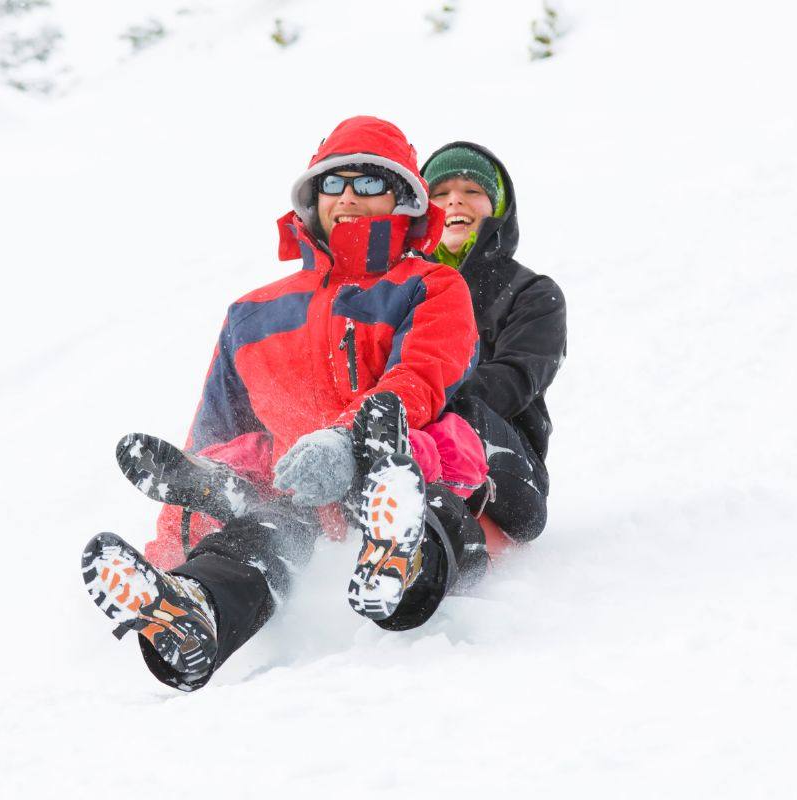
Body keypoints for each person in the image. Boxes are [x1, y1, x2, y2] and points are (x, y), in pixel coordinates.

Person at [80, 117, 491, 692]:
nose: (348, 196)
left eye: (371, 184)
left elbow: (421, 377)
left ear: (402, 198)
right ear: (312, 198)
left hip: (397, 470)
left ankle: (400, 563)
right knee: (258, 535)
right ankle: (196, 609)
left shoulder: (431, 287)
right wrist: (173, 550)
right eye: (333, 183)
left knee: (409, 491)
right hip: (294, 499)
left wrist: (347, 443)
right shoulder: (252, 313)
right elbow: (214, 438)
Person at [422, 142, 567, 544]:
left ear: (498, 208)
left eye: (472, 191)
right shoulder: (402, 290)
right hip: (415, 448)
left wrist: (422, 396)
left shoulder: (532, 293)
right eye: (439, 193)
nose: (455, 201)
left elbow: (517, 379)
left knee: (460, 415)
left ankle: (462, 553)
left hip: (503, 464)